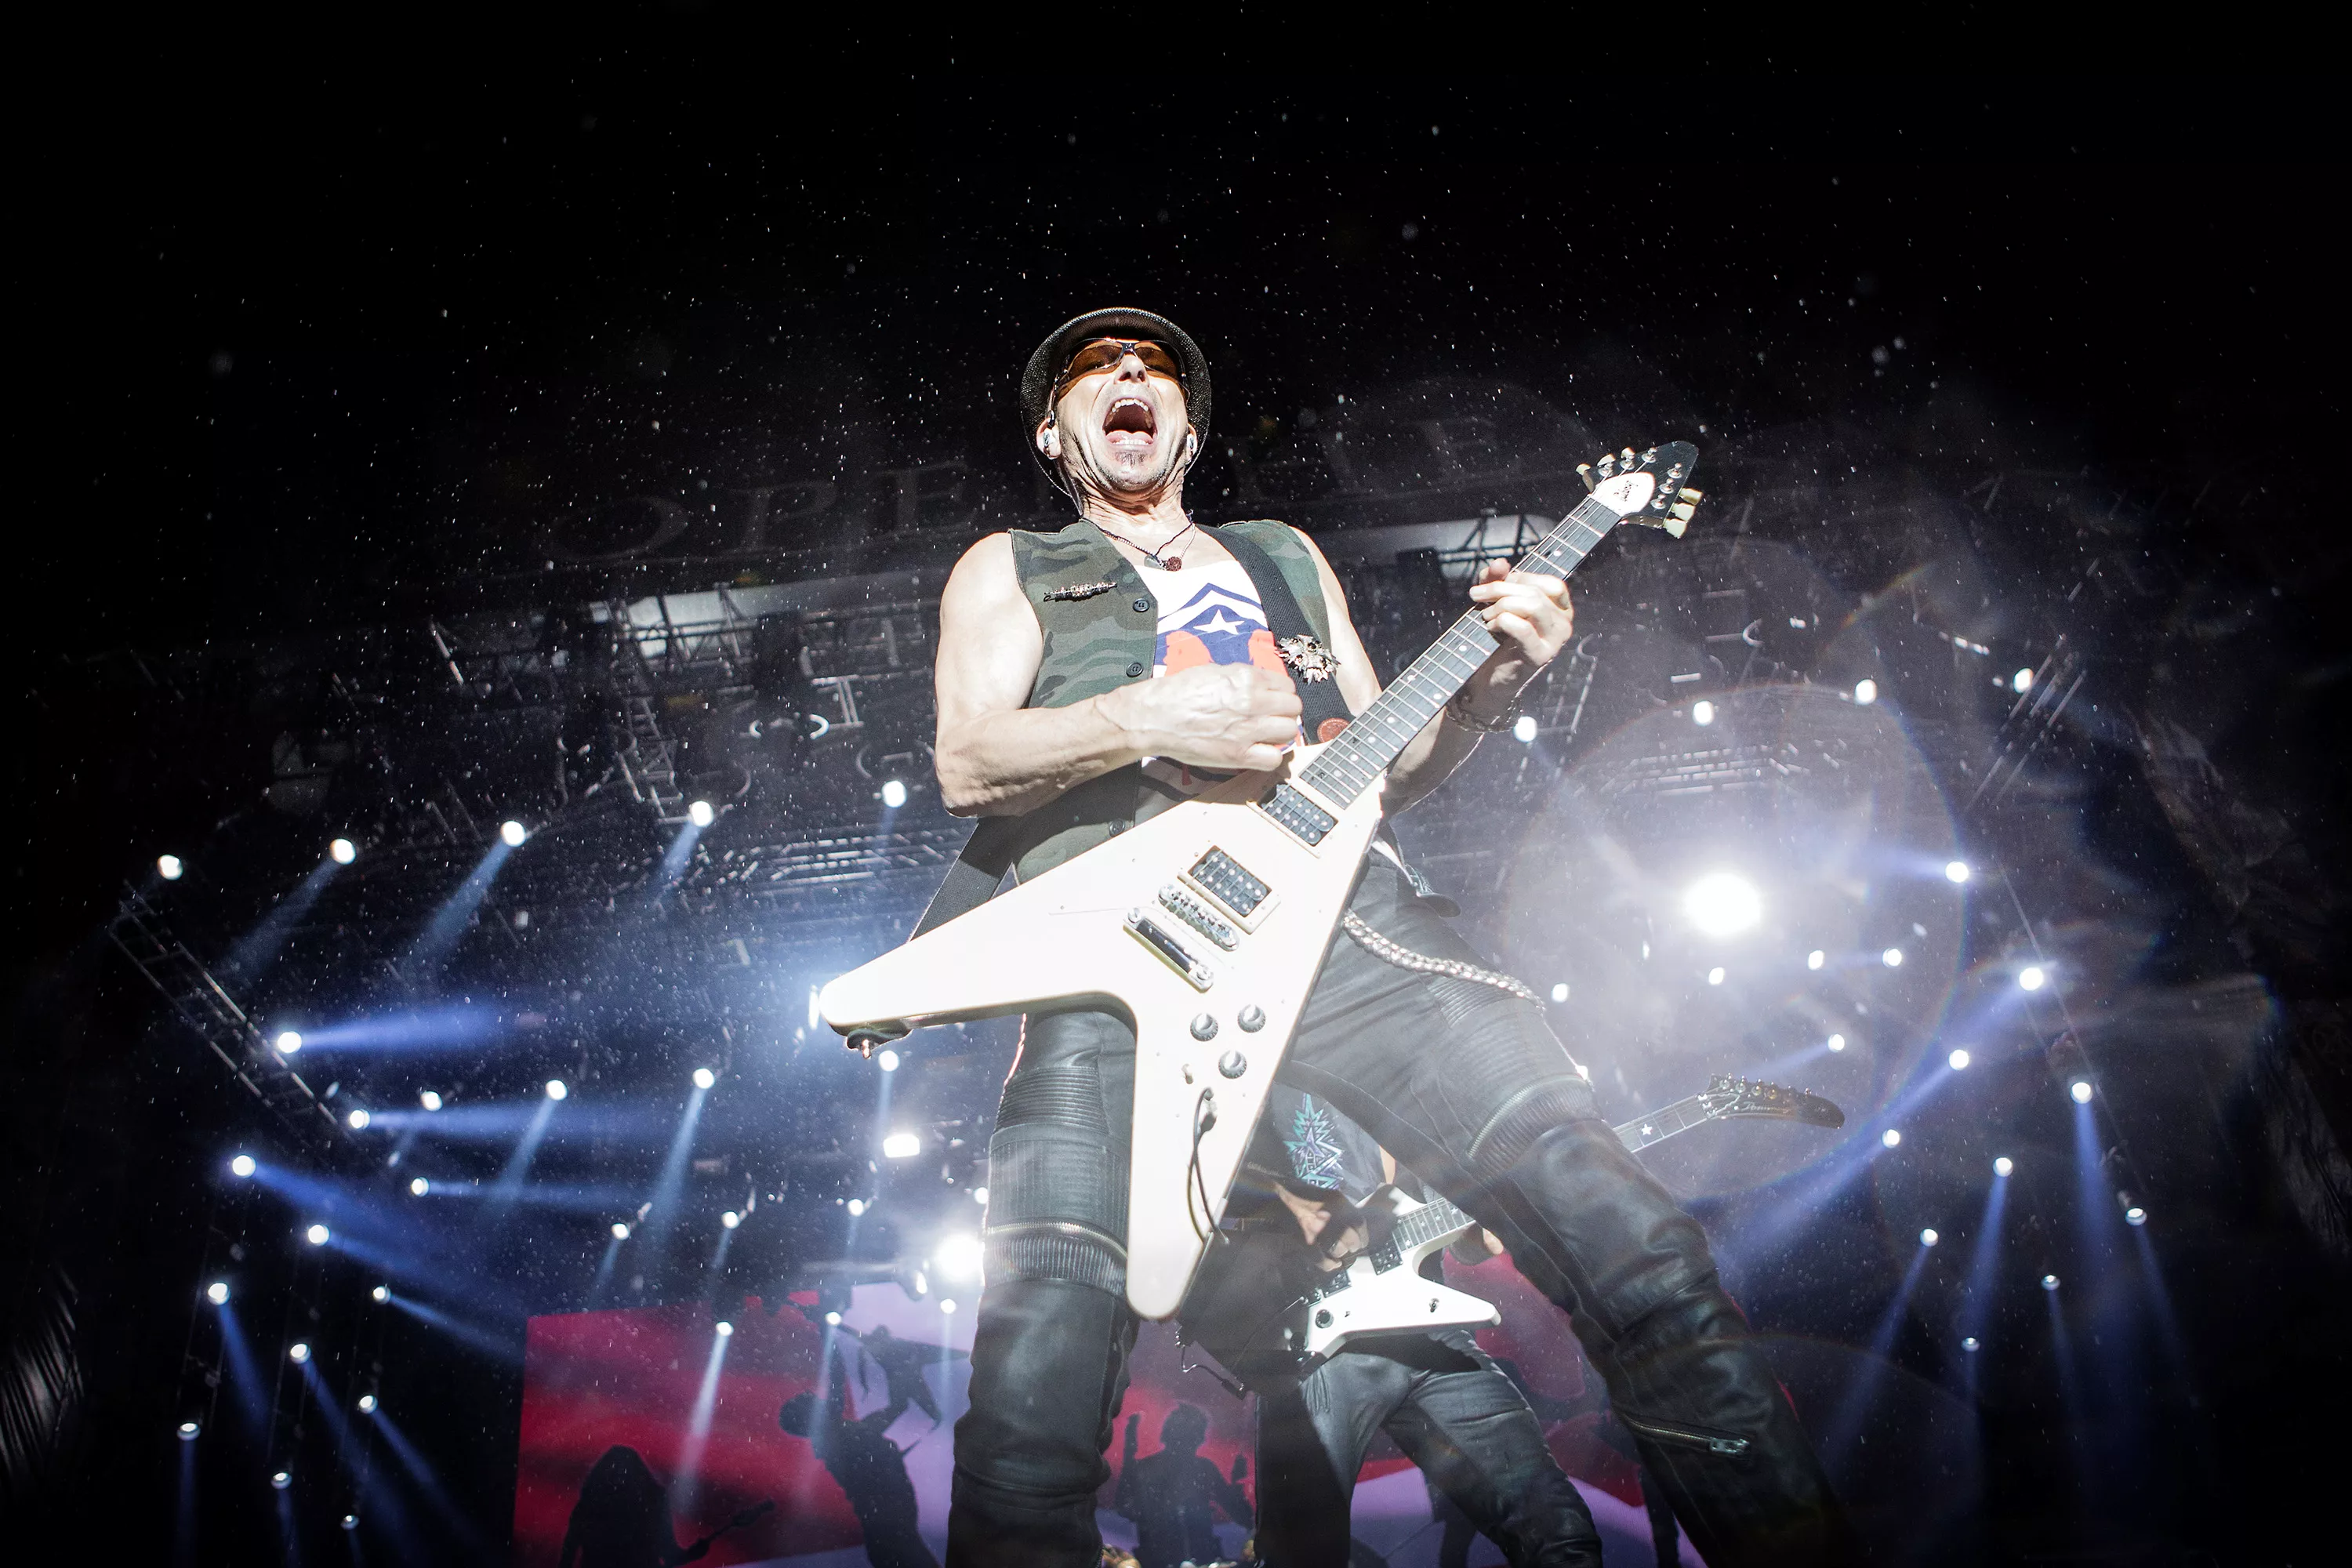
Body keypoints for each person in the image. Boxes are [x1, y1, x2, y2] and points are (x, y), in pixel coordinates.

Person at [925, 307, 1857, 1568]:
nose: (1132, 371)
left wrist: (1495, 685)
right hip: (1123, 962)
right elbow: (971, 761)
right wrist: (1150, 715)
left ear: (1188, 431)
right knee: (1036, 1375)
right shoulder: (1014, 566)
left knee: (1635, 1248)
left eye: (1157, 367)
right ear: (1055, 432)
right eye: (1098, 366)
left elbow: (1383, 766)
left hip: (1357, 926)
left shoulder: (1282, 554)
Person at [1179, 1086, 1603, 1567]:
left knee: (1559, 1530)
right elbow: (1182, 1160)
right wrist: (1288, 1198)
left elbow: (1459, 1238)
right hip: (1320, 1344)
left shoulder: (1424, 1096)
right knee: (1301, 1558)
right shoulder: (1288, 1075)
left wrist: (1478, 1232)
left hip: (1429, 1331)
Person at [780, 1353, 942, 1568]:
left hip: (892, 1533)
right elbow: (839, 1388)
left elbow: (898, 1406)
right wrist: (833, 1343)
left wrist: (896, 1369)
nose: (819, 1399)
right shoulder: (837, 1441)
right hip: (890, 1535)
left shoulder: (848, 1435)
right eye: (812, 1402)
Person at [1109, 1403, 1254, 1567]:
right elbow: (1242, 1514)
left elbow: (1242, 1515)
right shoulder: (1202, 1469)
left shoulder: (1202, 1469)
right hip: (1167, 1559)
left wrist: (1236, 1486)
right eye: (1191, 1433)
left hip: (1189, 1559)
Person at [557, 1446, 712, 1568]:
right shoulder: (653, 1503)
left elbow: (568, 1555)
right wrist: (694, 1553)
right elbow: (670, 1555)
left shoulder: (590, 1504)